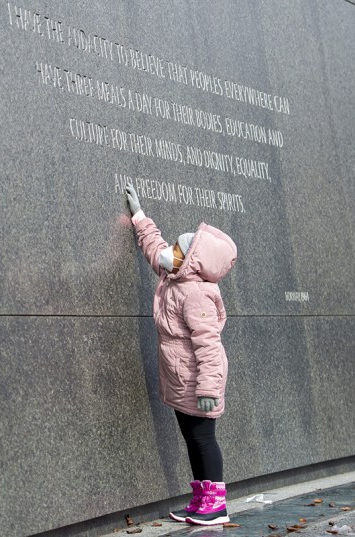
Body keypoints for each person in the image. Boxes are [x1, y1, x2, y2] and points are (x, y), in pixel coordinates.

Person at [124, 185, 237, 526]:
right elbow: (155, 249)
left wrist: (208, 389)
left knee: (203, 439)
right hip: (182, 379)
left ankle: (217, 504)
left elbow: (209, 346)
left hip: (197, 382)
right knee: (193, 439)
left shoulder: (197, 294)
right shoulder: (175, 276)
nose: (170, 250)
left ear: (190, 259)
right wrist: (139, 216)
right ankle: (203, 499)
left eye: (178, 248)